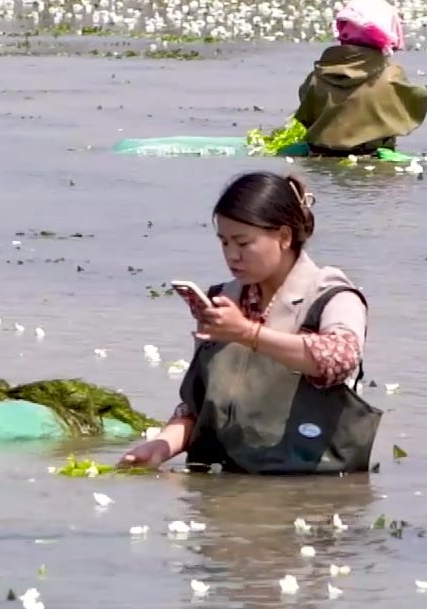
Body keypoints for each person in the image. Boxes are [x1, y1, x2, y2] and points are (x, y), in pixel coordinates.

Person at [122, 171, 382, 474]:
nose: (232, 256)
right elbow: (203, 404)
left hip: (315, 487)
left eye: (243, 243)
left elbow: (339, 360)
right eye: (224, 243)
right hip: (231, 481)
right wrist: (161, 447)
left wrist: (247, 332)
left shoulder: (331, 295)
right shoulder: (224, 299)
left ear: (284, 237)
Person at [292, 0, 427, 158]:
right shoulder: (391, 73)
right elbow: (413, 101)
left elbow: (306, 104)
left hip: (317, 152)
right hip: (371, 155)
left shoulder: (317, 74)